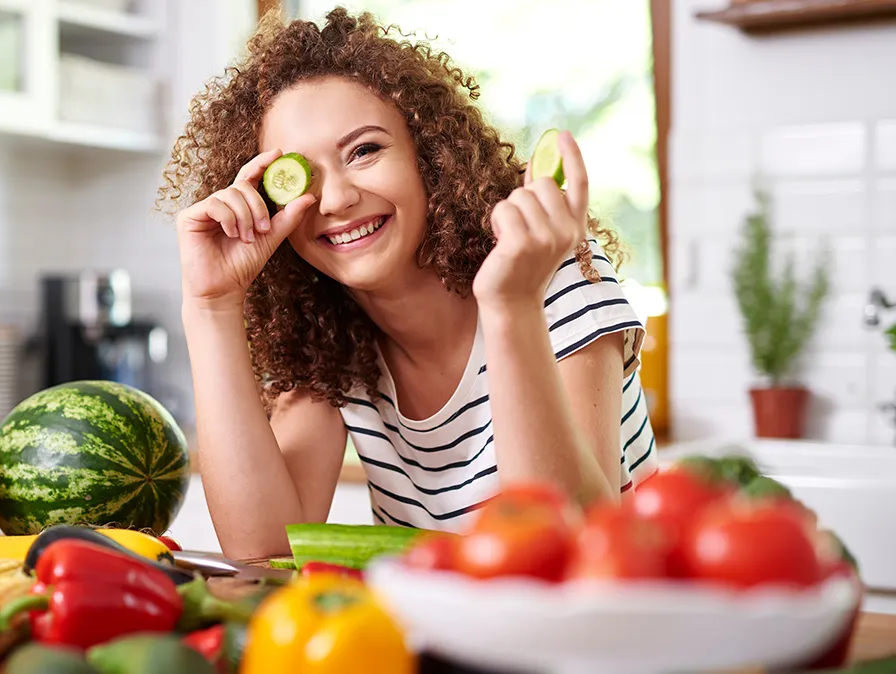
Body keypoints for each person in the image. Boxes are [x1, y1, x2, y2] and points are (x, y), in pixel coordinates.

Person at [157, 7, 658, 560]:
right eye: (302, 175)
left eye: (365, 151)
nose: (337, 199)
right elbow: (262, 549)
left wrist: (510, 306)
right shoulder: (332, 345)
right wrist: (211, 307)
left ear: (430, 156)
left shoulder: (552, 281)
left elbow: (570, 545)